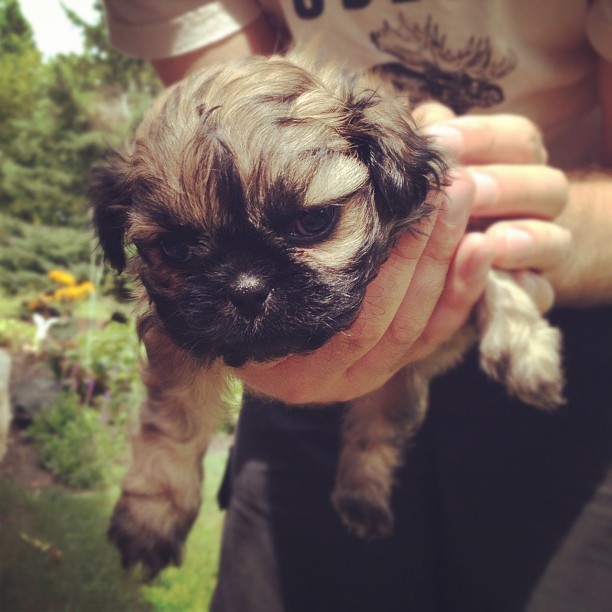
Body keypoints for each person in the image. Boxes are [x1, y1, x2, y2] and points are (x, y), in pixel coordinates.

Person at [103, 2, 612, 610]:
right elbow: (226, 132)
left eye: (311, 222)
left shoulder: (393, 161)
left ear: (391, 177)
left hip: (581, 333)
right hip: (294, 410)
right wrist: (160, 482)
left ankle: (368, 465)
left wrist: (537, 246)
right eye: (180, 247)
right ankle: (355, 478)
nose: (246, 287)